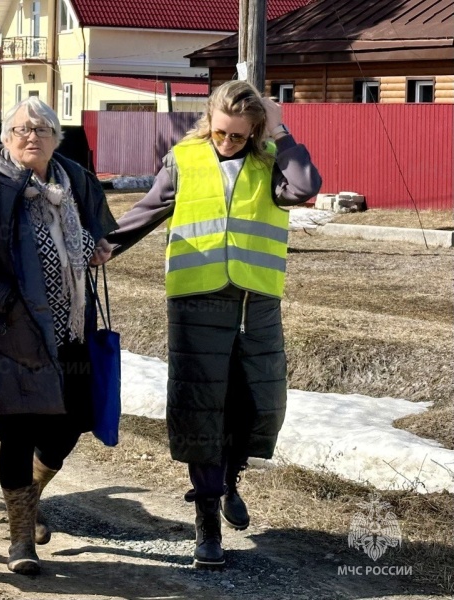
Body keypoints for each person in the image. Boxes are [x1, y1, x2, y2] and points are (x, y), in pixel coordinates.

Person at [106, 80, 322, 568]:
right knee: (202, 407)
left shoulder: (271, 162)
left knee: (256, 402)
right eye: (222, 133)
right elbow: (149, 210)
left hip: (255, 301)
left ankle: (231, 480)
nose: (228, 143)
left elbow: (305, 188)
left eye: (240, 136)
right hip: (197, 300)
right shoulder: (184, 159)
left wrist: (281, 131)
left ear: (257, 131)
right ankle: (206, 520)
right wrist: (104, 245)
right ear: (208, 120)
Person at [0, 97, 115, 575]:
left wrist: (98, 246)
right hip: (9, 331)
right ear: (5, 136)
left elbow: (99, 231)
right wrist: (4, 300)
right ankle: (21, 540)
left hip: (71, 329)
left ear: (57, 137)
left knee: (71, 423)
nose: (30, 136)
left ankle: (28, 498)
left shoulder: (72, 178)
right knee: (16, 430)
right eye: (19, 128)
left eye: (41, 129)